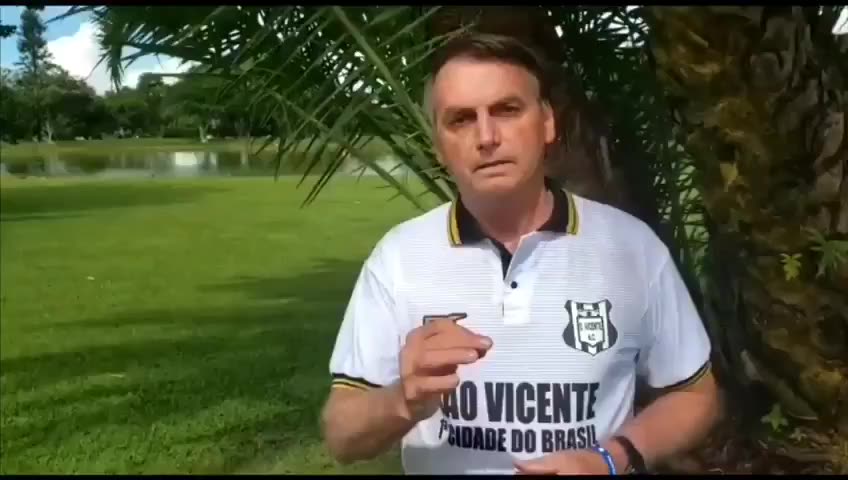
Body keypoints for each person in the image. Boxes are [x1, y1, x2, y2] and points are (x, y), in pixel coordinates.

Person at [320, 32, 721, 475]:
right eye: (461, 119)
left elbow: (695, 394)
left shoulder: (631, 247)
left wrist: (608, 459)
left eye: (507, 110)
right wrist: (403, 400)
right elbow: (341, 434)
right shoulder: (398, 258)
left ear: (547, 122)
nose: (487, 136)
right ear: (438, 145)